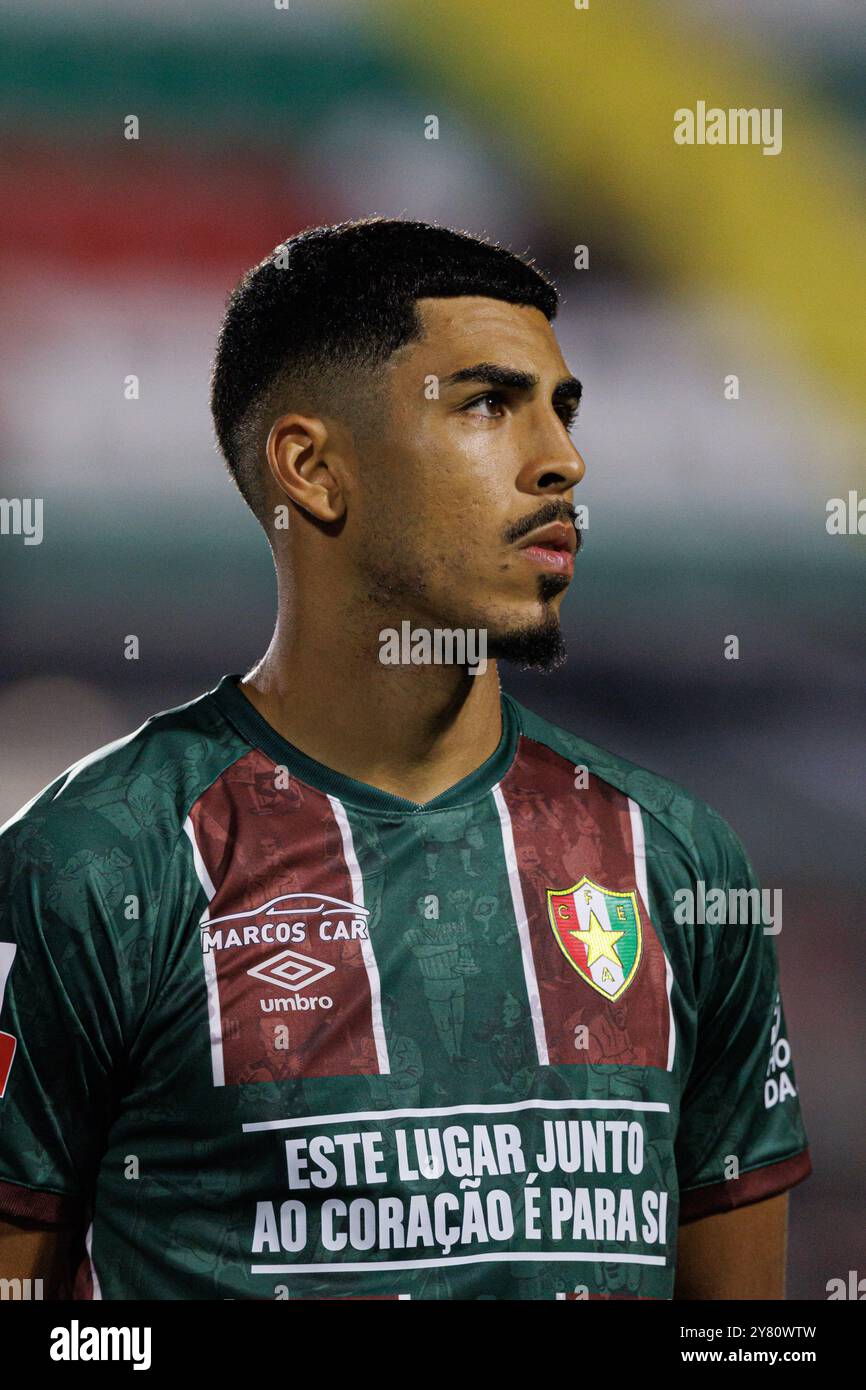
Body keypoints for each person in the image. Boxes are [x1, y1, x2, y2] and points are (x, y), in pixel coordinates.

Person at [0, 219, 810, 1300]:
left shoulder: (673, 856)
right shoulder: (94, 869)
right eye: (486, 403)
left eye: (561, 409)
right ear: (312, 469)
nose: (562, 460)